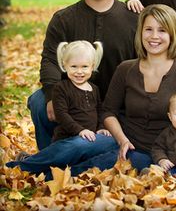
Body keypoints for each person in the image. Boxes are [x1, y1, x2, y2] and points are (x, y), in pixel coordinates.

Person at [59, 4, 176, 176]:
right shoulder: (126, 69)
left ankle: (51, 174)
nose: (154, 36)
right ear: (140, 32)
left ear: (173, 35)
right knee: (79, 146)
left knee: (98, 165)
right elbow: (108, 112)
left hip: (167, 156)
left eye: (162, 30)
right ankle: (32, 167)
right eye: (148, 29)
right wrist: (122, 140)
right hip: (125, 143)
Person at [28, 0, 138, 150]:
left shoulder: (133, 19)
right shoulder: (63, 19)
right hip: (72, 100)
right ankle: (48, 158)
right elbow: (50, 60)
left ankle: (67, 155)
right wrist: (52, 96)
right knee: (38, 101)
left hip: (118, 106)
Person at [6, 40, 117, 180]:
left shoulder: (94, 89)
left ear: (92, 66)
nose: (79, 71)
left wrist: (101, 127)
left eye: (84, 67)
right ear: (65, 66)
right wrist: (80, 130)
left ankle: (47, 175)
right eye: (74, 66)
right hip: (67, 138)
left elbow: (100, 111)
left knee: (79, 160)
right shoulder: (62, 88)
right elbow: (62, 115)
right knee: (63, 154)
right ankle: (17, 166)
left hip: (88, 139)